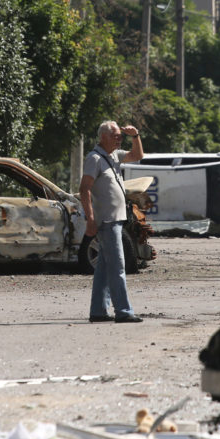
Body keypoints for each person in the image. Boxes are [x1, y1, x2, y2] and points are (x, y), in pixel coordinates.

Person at [79, 120, 144, 323]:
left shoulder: (114, 155)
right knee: (117, 267)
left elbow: (138, 156)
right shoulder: (94, 158)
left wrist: (136, 136)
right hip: (106, 221)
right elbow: (84, 189)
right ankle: (123, 311)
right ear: (103, 137)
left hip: (116, 219)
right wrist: (90, 218)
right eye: (115, 135)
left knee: (104, 268)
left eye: (120, 136)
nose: (119, 138)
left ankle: (98, 311)